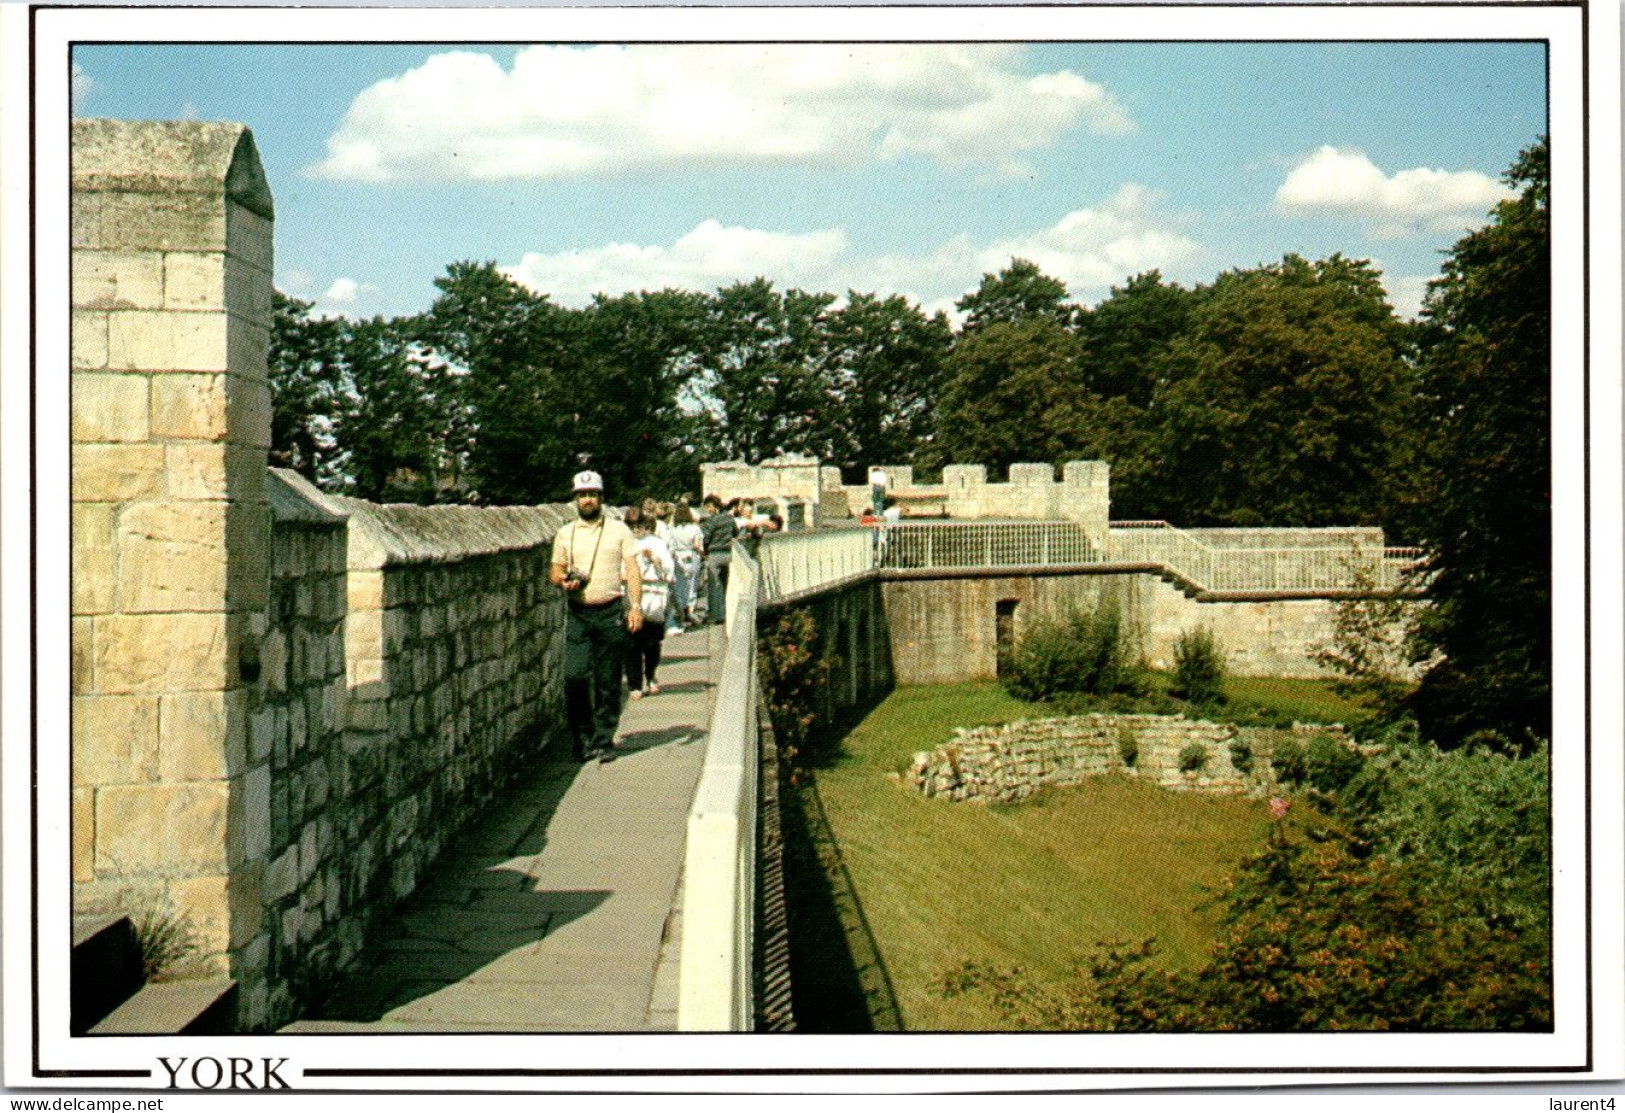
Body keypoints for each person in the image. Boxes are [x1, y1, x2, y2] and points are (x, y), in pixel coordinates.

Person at [550, 470, 642, 762]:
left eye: (592, 494)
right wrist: (563, 581)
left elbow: (633, 569)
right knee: (574, 677)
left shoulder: (619, 531)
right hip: (579, 613)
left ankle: (604, 738)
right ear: (575, 499)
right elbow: (555, 569)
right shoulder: (566, 533)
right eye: (582, 495)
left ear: (601, 497)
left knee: (608, 679)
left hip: (610, 611)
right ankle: (582, 735)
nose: (587, 500)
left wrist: (636, 606)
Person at [623, 506, 675, 698]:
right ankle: (635, 685)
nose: (636, 530)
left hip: (654, 595)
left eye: (639, 526)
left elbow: (668, 569)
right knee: (632, 643)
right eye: (632, 526)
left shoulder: (656, 543)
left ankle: (651, 675)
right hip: (631, 595)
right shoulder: (623, 543)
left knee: (652, 643)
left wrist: (653, 559)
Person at [667, 502, 705, 630]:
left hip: (678, 556)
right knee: (692, 585)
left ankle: (681, 609)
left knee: (680, 584)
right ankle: (690, 611)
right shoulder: (695, 528)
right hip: (691, 555)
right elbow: (697, 545)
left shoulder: (672, 528)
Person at [699, 494, 735, 625]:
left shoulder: (712, 521)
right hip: (728, 554)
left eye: (709, 507)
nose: (708, 510)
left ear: (714, 506)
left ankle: (718, 615)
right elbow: (735, 533)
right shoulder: (730, 518)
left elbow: (704, 537)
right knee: (726, 585)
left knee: (715, 586)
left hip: (714, 555)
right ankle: (728, 611)